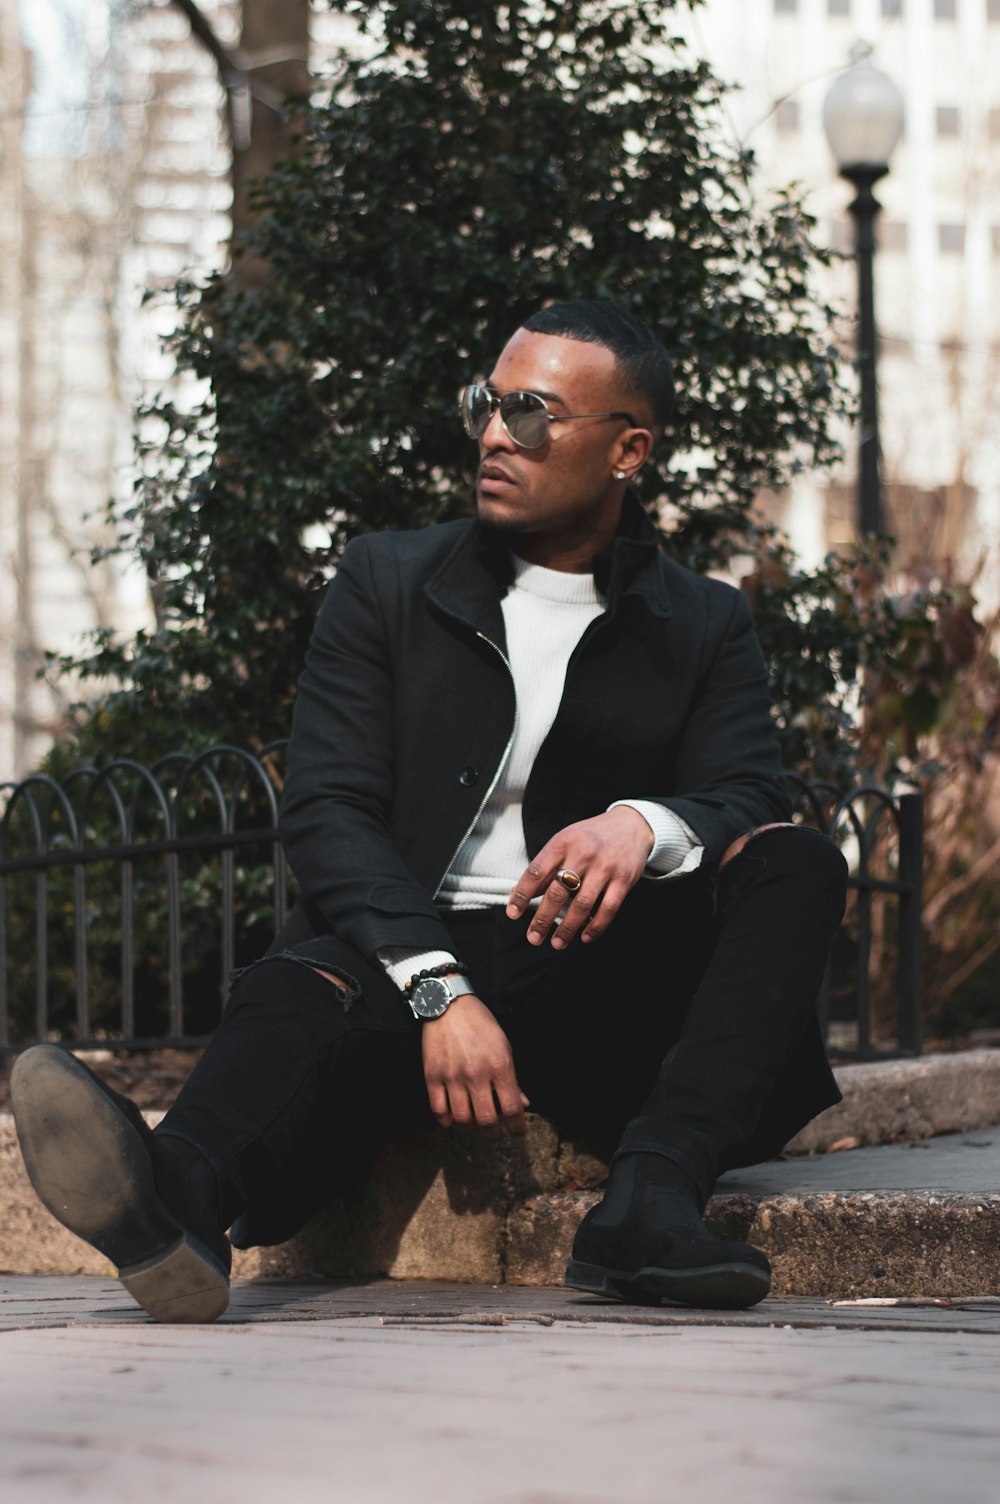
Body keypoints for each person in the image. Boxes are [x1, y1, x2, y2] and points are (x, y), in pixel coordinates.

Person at [12, 299, 848, 1324]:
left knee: (795, 860)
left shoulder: (701, 619)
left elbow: (745, 793)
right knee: (305, 982)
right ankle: (173, 1199)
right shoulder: (388, 581)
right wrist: (437, 991)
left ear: (628, 448)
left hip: (592, 971)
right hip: (400, 958)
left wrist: (640, 822)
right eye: (487, 406)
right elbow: (328, 809)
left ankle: (651, 1197)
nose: (496, 435)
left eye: (533, 414)